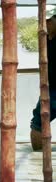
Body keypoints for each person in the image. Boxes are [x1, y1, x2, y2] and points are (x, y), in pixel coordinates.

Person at [30, 5, 56, 150]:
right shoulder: (44, 38)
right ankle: (38, 158)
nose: (45, 25)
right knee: (38, 122)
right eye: (43, 22)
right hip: (50, 89)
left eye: (48, 21)